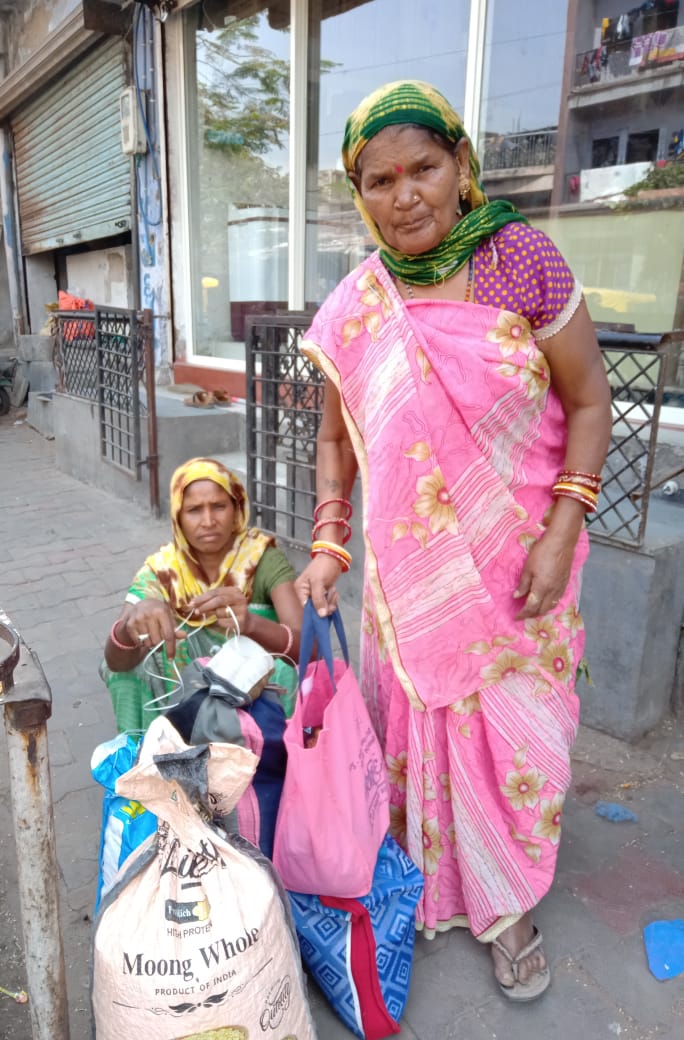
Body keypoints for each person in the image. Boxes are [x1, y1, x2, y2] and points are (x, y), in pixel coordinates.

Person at [294, 81, 612, 1003]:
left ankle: (507, 900)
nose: (406, 195)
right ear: (361, 194)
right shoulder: (358, 304)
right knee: (421, 730)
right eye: (381, 179)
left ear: (461, 164)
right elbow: (333, 439)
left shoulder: (524, 261)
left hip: (523, 566)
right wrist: (328, 544)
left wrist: (562, 528)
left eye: (424, 168)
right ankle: (433, 881)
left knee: (520, 740)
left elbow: (589, 396)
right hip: (414, 578)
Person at [103, 456, 303, 734]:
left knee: (282, 665)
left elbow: (309, 649)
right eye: (194, 510)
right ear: (178, 518)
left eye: (219, 506)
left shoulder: (261, 559)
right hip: (184, 693)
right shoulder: (162, 571)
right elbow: (114, 662)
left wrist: (250, 625)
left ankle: (277, 758)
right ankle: (151, 755)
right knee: (133, 666)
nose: (208, 521)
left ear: (237, 508)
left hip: (255, 697)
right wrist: (130, 627)